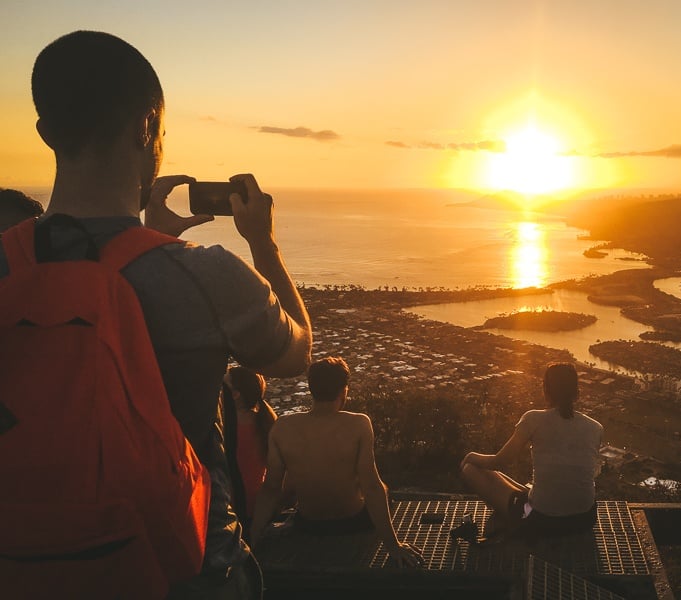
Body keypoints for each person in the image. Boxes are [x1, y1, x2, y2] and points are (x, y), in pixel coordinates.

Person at [2, 30, 314, 598]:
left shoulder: (5, 261)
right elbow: (298, 353)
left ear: (46, 132)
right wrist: (262, 243)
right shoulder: (205, 275)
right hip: (184, 570)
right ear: (147, 127)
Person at [250, 357, 424, 568]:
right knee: (384, 491)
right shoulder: (359, 424)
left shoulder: (282, 427)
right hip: (353, 521)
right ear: (344, 390)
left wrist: (252, 543)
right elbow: (371, 486)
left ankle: (290, 521)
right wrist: (393, 545)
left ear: (311, 388)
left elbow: (270, 488)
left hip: (308, 524)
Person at [459, 362, 604, 540]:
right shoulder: (595, 428)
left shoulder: (533, 419)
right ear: (576, 392)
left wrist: (471, 456)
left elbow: (500, 461)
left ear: (546, 390)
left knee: (471, 470)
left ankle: (508, 516)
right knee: (526, 489)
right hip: (584, 519)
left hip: (539, 520)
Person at [222, 366, 277, 528]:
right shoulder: (267, 423)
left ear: (235, 394)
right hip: (260, 507)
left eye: (223, 386)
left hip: (230, 509)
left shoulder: (223, 427)